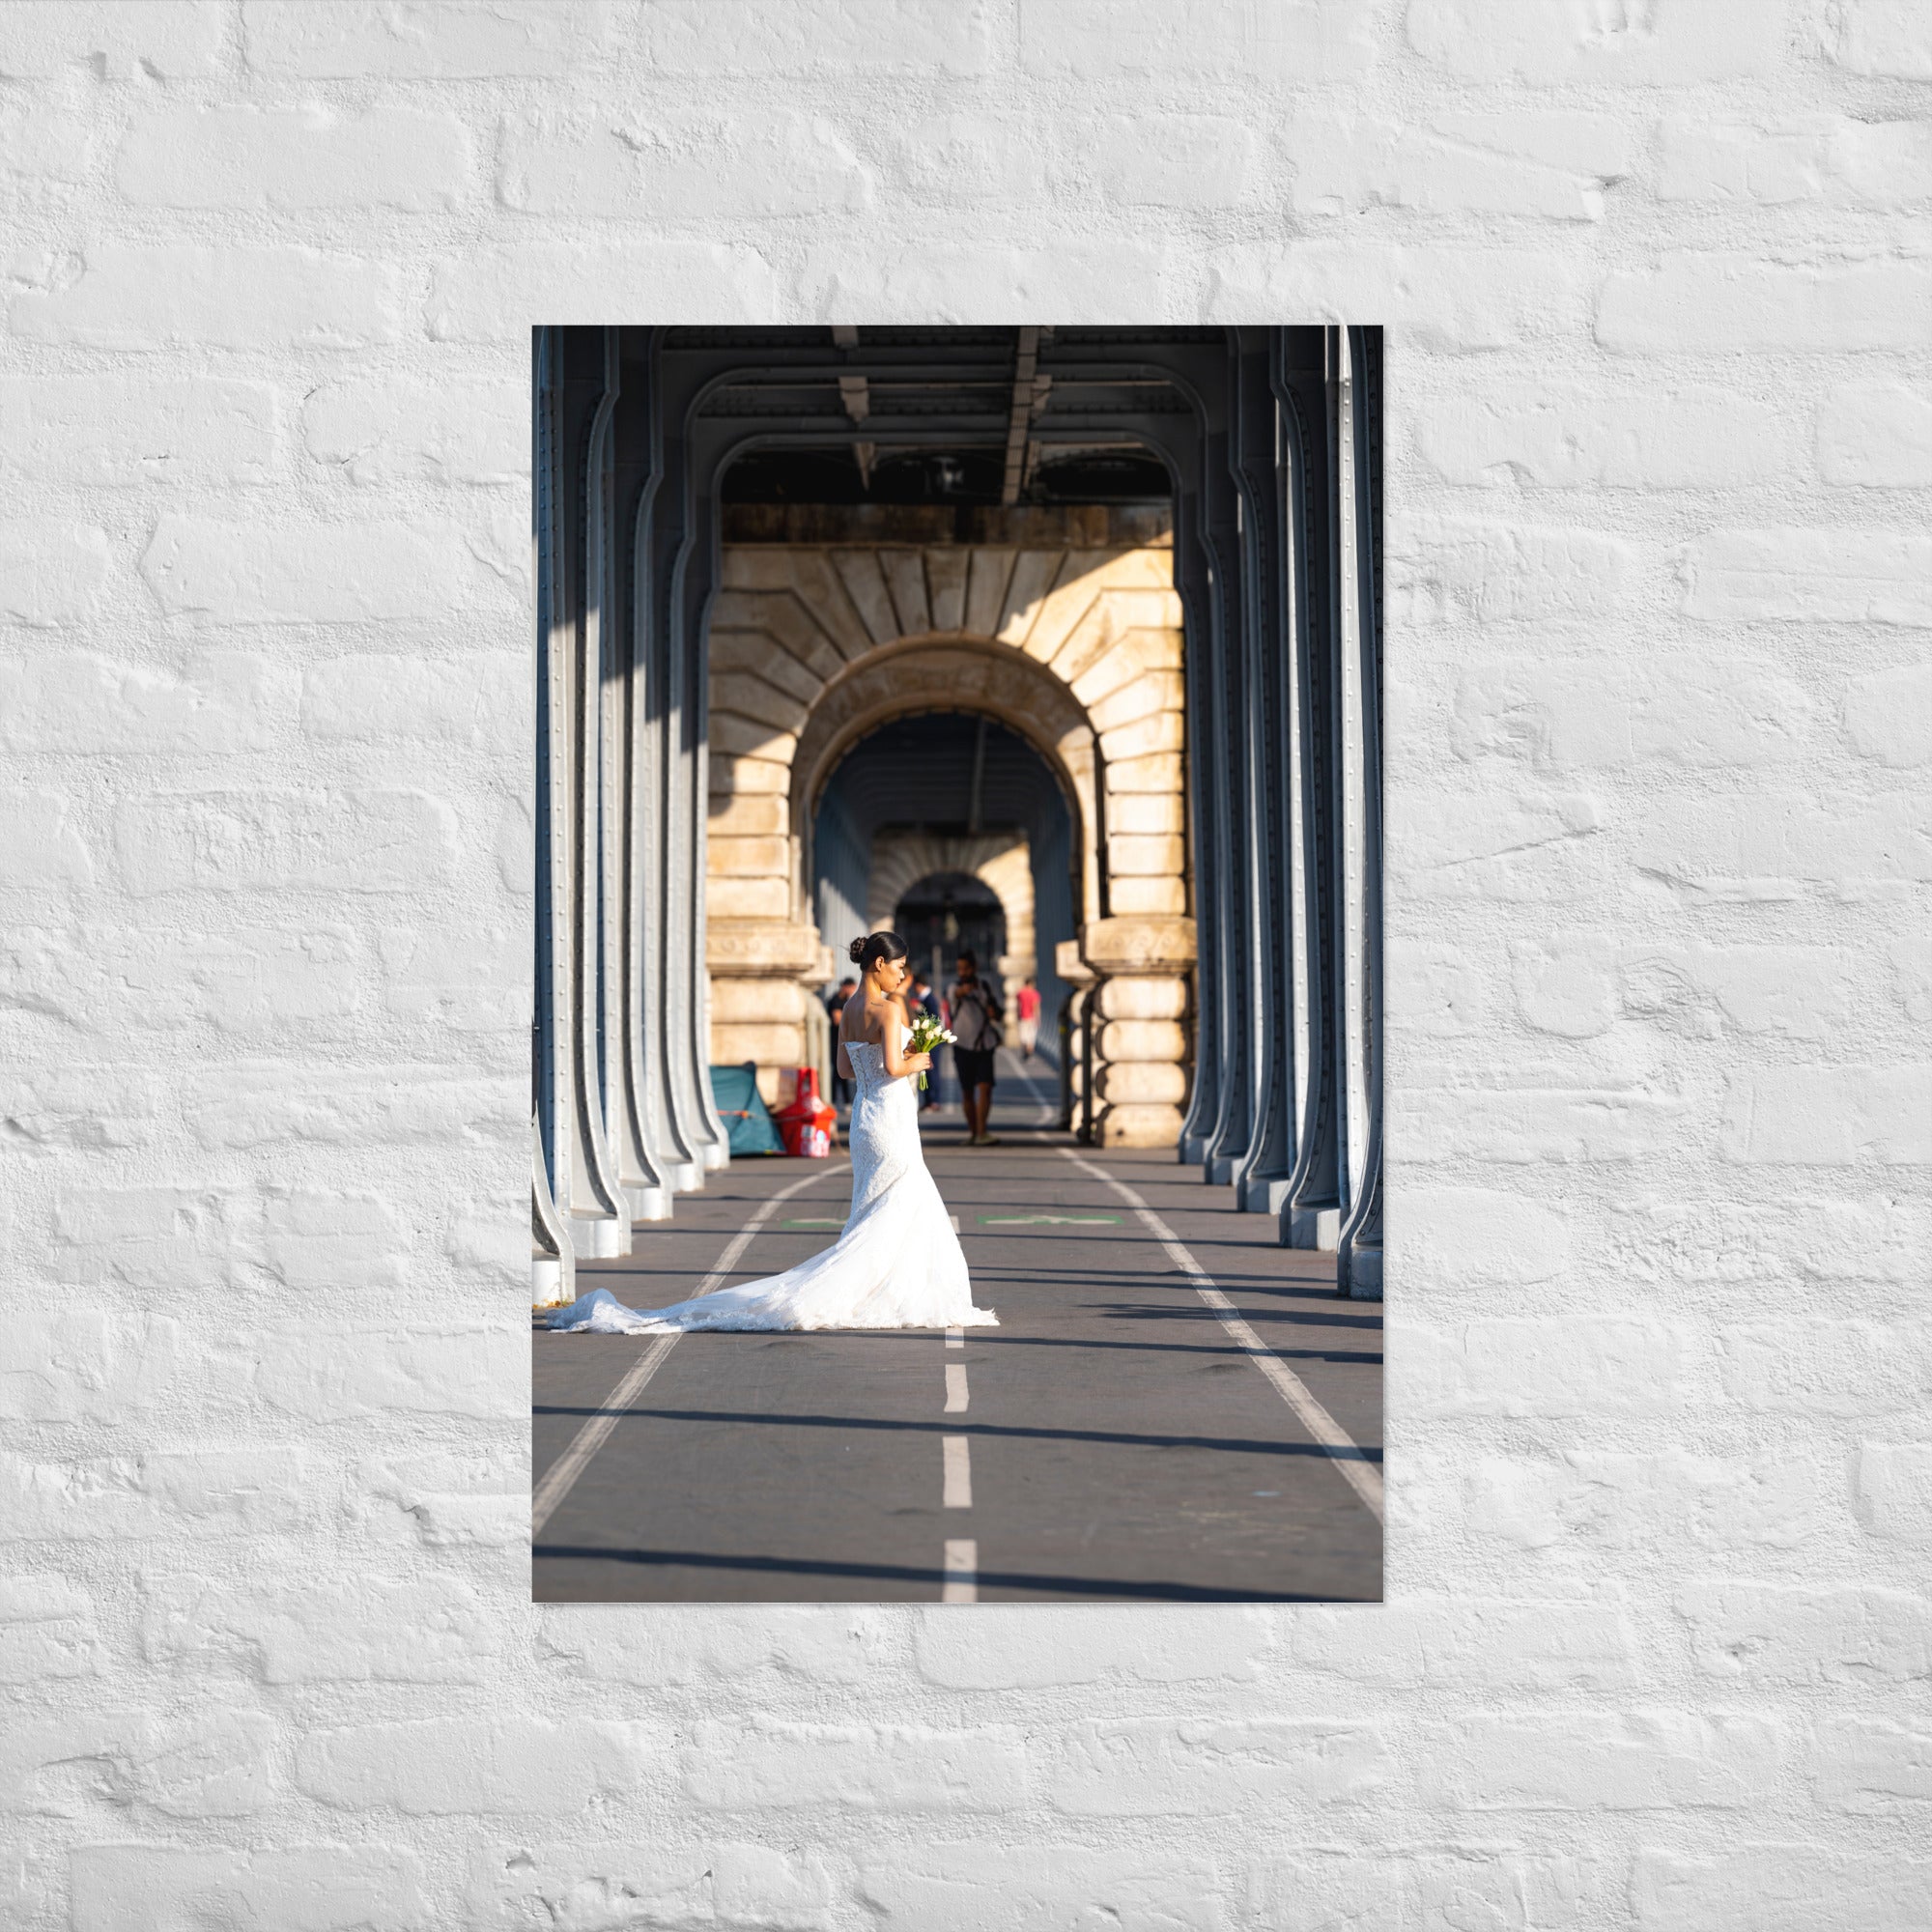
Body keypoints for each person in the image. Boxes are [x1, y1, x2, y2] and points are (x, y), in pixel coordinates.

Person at [548, 931, 996, 1335]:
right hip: (892, 1121)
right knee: (902, 1201)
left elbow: (844, 1069)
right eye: (898, 965)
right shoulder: (887, 1009)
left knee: (876, 1206)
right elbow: (896, 1067)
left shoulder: (849, 1010)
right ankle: (890, 1289)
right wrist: (916, 1059)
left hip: (866, 1119)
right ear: (879, 963)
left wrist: (890, 1062)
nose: (902, 974)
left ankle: (873, 1285)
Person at [947, 951, 1004, 1147]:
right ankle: (973, 1132)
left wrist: (993, 1011)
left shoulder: (985, 987)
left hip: (984, 1045)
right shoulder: (954, 987)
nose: (962, 972)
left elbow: (997, 1013)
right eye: (959, 969)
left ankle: (982, 1131)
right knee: (967, 1091)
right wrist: (964, 990)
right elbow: (955, 994)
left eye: (965, 968)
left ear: (974, 968)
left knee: (986, 1088)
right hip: (962, 1045)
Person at [908, 970, 941, 1112]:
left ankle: (933, 1100)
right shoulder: (926, 998)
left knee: (932, 1070)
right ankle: (928, 1100)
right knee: (926, 1071)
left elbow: (933, 1019)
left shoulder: (929, 999)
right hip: (926, 1039)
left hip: (930, 1039)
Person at [826, 977, 858, 1107]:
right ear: (845, 986)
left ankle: (845, 1100)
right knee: (838, 1071)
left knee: (843, 1071)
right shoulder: (836, 1000)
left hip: (844, 1039)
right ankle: (835, 1099)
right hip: (835, 1040)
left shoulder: (846, 1000)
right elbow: (837, 1020)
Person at [1016, 977, 1040, 1061]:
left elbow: (1018, 1005)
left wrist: (1018, 1015)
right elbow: (1035, 1007)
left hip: (1023, 1017)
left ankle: (1025, 1052)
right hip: (1031, 1017)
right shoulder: (1034, 994)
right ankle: (1029, 1053)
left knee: (1023, 1036)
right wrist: (1037, 1018)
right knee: (1031, 1036)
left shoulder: (1020, 993)